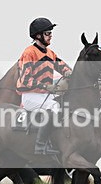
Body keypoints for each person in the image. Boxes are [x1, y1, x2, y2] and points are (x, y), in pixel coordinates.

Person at [16, 17, 72, 155]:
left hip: (44, 95)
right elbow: (25, 79)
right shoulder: (29, 52)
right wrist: (46, 87)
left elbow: (63, 67)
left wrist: (70, 73)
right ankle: (40, 145)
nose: (50, 36)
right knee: (54, 107)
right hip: (30, 96)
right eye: (48, 33)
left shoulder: (50, 53)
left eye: (51, 33)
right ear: (38, 35)